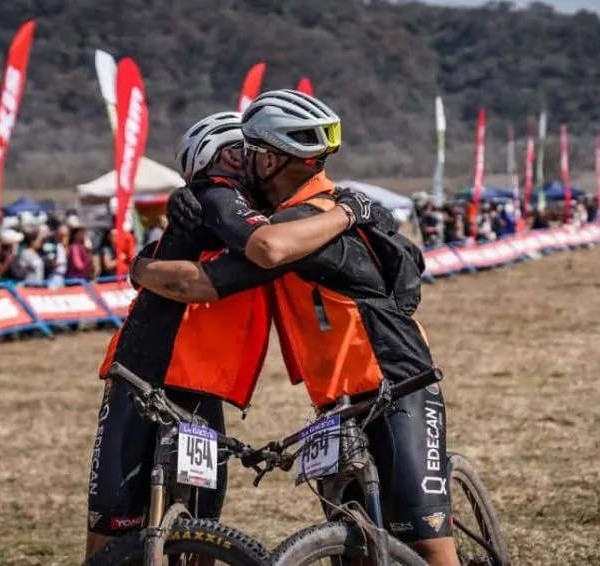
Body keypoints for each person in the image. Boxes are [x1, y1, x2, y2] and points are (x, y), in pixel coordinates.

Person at [128, 90, 460, 566]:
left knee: (426, 543)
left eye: (253, 153)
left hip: (396, 384)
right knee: (356, 543)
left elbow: (245, 260)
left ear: (274, 159)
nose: (246, 162)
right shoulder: (308, 214)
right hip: (334, 401)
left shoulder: (312, 222)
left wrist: (139, 269)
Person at [85, 109, 375, 560]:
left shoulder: (236, 209)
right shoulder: (217, 195)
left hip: (190, 382)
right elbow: (263, 250)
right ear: (219, 157)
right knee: (123, 525)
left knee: (151, 522)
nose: (256, 160)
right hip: (154, 376)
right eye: (244, 151)